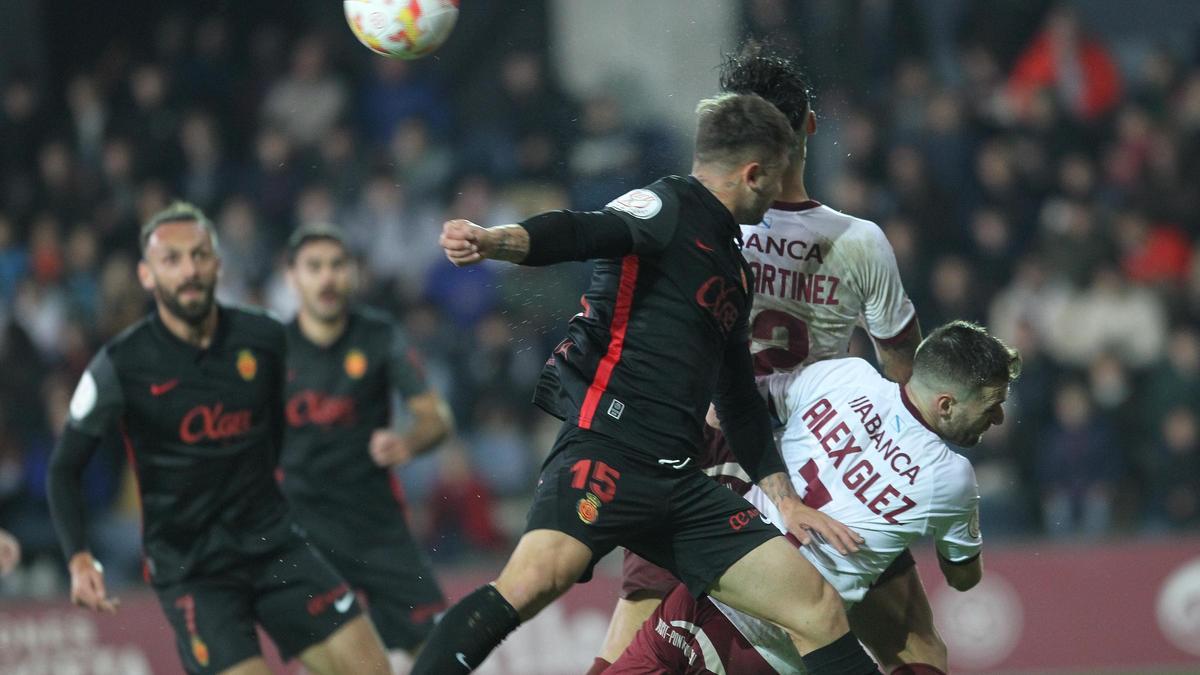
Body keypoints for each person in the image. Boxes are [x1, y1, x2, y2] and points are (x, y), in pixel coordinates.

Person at [411, 93, 878, 675]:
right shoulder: (664, 205)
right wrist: (496, 242)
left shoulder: (734, 265)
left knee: (816, 607)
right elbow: (585, 231)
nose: (780, 191)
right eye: (776, 176)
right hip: (608, 452)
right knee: (532, 582)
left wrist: (786, 501)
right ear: (754, 173)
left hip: (679, 484)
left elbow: (736, 397)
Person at [596, 43, 939, 675]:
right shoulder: (860, 243)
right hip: (824, 456)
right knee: (912, 647)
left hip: (700, 445)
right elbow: (905, 373)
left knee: (644, 622)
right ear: (809, 124)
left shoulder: (692, 224)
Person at [46, 202, 391, 675]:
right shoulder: (120, 365)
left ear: (217, 263)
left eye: (199, 255)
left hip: (275, 547)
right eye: (172, 260)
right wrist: (79, 557)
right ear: (147, 276)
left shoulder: (264, 338)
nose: (189, 270)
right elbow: (65, 467)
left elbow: (281, 430)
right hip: (194, 570)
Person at [609, 321, 1018, 674]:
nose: (997, 417)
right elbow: (963, 578)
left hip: (710, 584)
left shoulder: (847, 376)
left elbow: (739, 406)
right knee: (923, 643)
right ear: (945, 404)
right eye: (992, 404)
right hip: (765, 647)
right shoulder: (952, 478)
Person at [282, 223, 454, 670]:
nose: (327, 278)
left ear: (352, 274)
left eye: (337, 266)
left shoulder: (378, 336)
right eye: (314, 267)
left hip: (374, 520)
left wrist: (409, 441)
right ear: (292, 278)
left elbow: (437, 418)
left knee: (436, 651)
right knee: (332, 661)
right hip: (301, 525)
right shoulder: (272, 350)